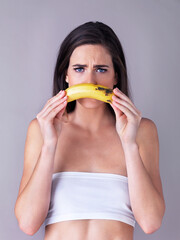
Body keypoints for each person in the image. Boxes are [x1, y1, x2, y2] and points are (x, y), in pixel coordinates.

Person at [14, 21, 165, 240]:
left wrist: (129, 144)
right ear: (66, 76)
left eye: (101, 69)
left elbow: (151, 222)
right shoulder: (40, 130)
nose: (90, 80)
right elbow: (28, 224)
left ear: (115, 77)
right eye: (79, 69)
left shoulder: (142, 131)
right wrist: (49, 145)